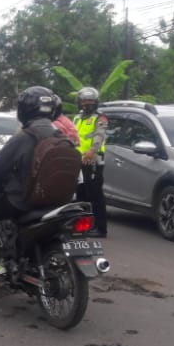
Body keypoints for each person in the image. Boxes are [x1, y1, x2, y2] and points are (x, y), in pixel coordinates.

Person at [0, 86, 61, 275]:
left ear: (23, 110)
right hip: (59, 200)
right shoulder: (62, 137)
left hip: (23, 201)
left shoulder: (24, 137)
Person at [73, 86, 108, 238]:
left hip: (93, 161)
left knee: (95, 195)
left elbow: (99, 136)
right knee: (80, 194)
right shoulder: (77, 118)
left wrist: (92, 151)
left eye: (91, 101)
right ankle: (80, 225)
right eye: (85, 101)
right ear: (80, 102)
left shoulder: (100, 118)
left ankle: (100, 228)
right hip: (78, 161)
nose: (87, 104)